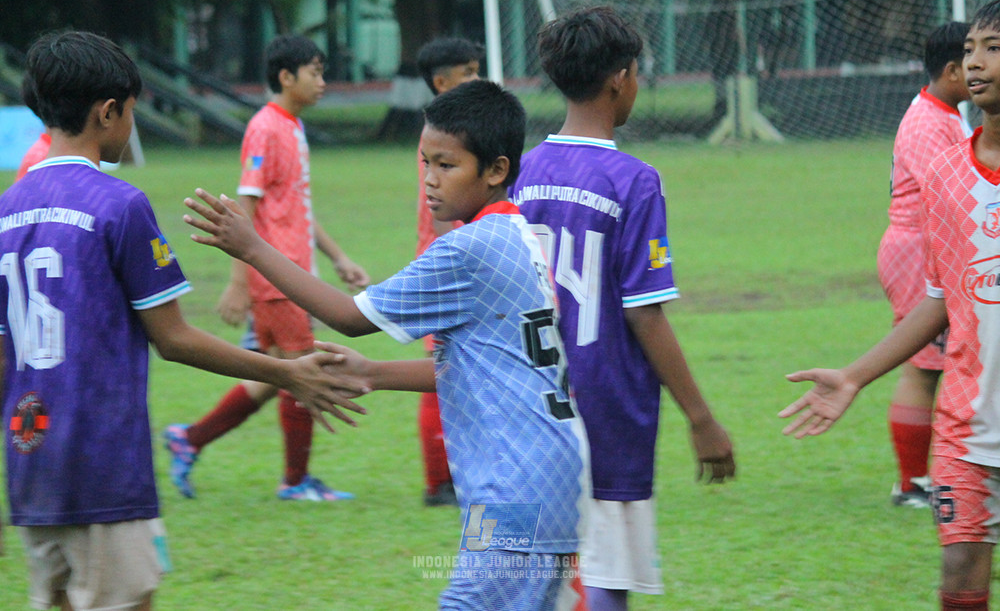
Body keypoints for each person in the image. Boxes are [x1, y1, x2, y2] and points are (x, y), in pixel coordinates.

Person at [184, 79, 590, 609]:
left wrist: (252, 248)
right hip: (549, 474)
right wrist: (372, 373)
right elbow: (486, 366)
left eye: (446, 165)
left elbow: (348, 317)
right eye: (425, 163)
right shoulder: (519, 236)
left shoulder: (468, 249)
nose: (430, 179)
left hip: (515, 488)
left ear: (496, 170)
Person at [0, 30, 364, 611]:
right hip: (103, 463)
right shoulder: (119, 204)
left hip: (30, 463)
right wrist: (287, 374)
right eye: (132, 112)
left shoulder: (7, 209)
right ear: (108, 112)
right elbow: (173, 339)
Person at [509, 6, 736, 611]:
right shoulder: (634, 180)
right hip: (606, 407)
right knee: (605, 574)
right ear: (620, 78)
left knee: (542, 573)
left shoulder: (521, 172)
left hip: (527, 401)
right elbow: (644, 313)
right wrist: (701, 418)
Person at [781, 0, 1000, 611]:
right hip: (967, 422)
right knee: (959, 567)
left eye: (993, 49)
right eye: (970, 49)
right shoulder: (948, 175)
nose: (975, 62)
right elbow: (940, 300)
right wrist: (854, 375)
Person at [163, 35, 369, 501]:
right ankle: (295, 482)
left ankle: (189, 439)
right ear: (286, 77)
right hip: (276, 277)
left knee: (274, 373)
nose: (322, 81)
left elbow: (296, 207)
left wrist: (338, 258)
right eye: (314, 72)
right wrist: (240, 281)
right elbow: (246, 206)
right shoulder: (265, 128)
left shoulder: (292, 126)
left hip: (291, 273)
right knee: (303, 369)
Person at [878, 21, 972, 508]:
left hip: (925, 247)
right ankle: (912, 482)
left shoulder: (943, 113)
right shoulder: (928, 123)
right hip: (920, 250)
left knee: (938, 365)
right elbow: (949, 193)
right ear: (953, 70)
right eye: (975, 58)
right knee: (924, 367)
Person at [412, 36, 484, 507]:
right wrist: (454, 257)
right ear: (442, 82)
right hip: (445, 266)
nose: (478, 78)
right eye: (469, 72)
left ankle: (458, 473)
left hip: (459, 260)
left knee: (459, 371)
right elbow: (438, 211)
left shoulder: (457, 129)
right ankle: (439, 482)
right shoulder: (436, 134)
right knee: (441, 373)